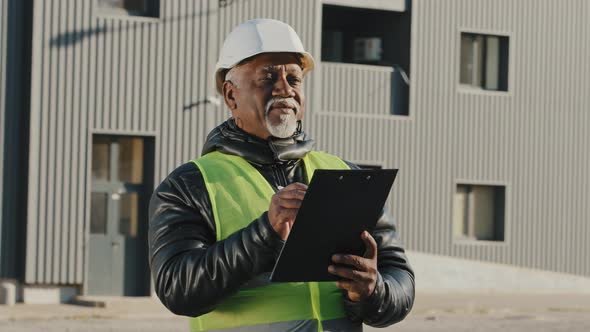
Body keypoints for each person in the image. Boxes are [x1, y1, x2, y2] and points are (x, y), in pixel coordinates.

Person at [148, 18, 415, 332]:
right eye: (268, 76)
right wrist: (265, 234)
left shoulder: (346, 175)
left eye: (294, 78)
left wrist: (372, 290)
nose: (285, 89)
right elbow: (176, 289)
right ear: (231, 95)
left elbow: (400, 277)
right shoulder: (188, 186)